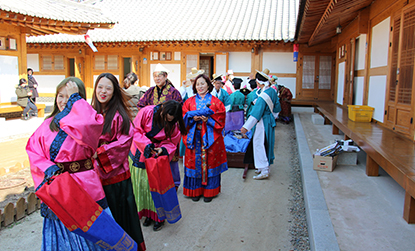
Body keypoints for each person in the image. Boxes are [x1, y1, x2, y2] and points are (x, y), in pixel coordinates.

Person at [26, 77, 139, 250]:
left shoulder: (87, 122)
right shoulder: (47, 124)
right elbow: (33, 150)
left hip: (85, 186)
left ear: (79, 99)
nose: (64, 101)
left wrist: (74, 101)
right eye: (60, 96)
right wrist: (49, 169)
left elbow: (90, 125)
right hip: (58, 187)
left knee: (93, 234)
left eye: (70, 96)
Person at [91, 73, 146, 249]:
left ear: (114, 91)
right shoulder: (91, 112)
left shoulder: (120, 116)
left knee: (119, 220)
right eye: (100, 87)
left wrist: (98, 153)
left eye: (108, 88)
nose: (103, 91)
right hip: (95, 177)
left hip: (116, 180)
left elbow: (123, 144)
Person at [129, 100, 186, 231]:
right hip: (140, 150)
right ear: (163, 109)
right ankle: (148, 214)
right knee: (141, 186)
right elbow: (136, 130)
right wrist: (146, 145)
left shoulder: (173, 125)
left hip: (156, 156)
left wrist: (163, 149)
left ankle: (159, 217)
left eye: (171, 120)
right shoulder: (147, 112)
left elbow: (172, 141)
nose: (168, 121)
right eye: (166, 117)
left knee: (156, 187)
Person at [182, 74, 228, 203]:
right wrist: (192, 118)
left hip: (210, 137)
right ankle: (194, 190)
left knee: (210, 162)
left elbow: (221, 118)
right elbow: (183, 117)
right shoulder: (189, 101)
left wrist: (209, 120)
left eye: (202, 83)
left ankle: (209, 191)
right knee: (193, 162)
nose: (200, 86)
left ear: (208, 85)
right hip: (194, 137)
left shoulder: (216, 102)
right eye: (197, 84)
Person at [137, 63, 183, 190]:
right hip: (151, 128)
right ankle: (154, 183)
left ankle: (174, 184)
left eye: (160, 76)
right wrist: (149, 115)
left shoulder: (174, 93)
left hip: (169, 130)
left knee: (170, 157)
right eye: (155, 76)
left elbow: (179, 111)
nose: (157, 79)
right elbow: (140, 105)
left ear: (166, 76)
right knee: (152, 156)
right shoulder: (150, 91)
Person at [240, 70, 281, 180]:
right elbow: (277, 107)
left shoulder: (263, 97)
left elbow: (256, 114)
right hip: (269, 121)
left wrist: (245, 127)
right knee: (265, 143)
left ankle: (264, 169)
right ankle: (262, 166)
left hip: (262, 122)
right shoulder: (272, 91)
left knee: (259, 144)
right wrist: (273, 116)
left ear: (259, 83)